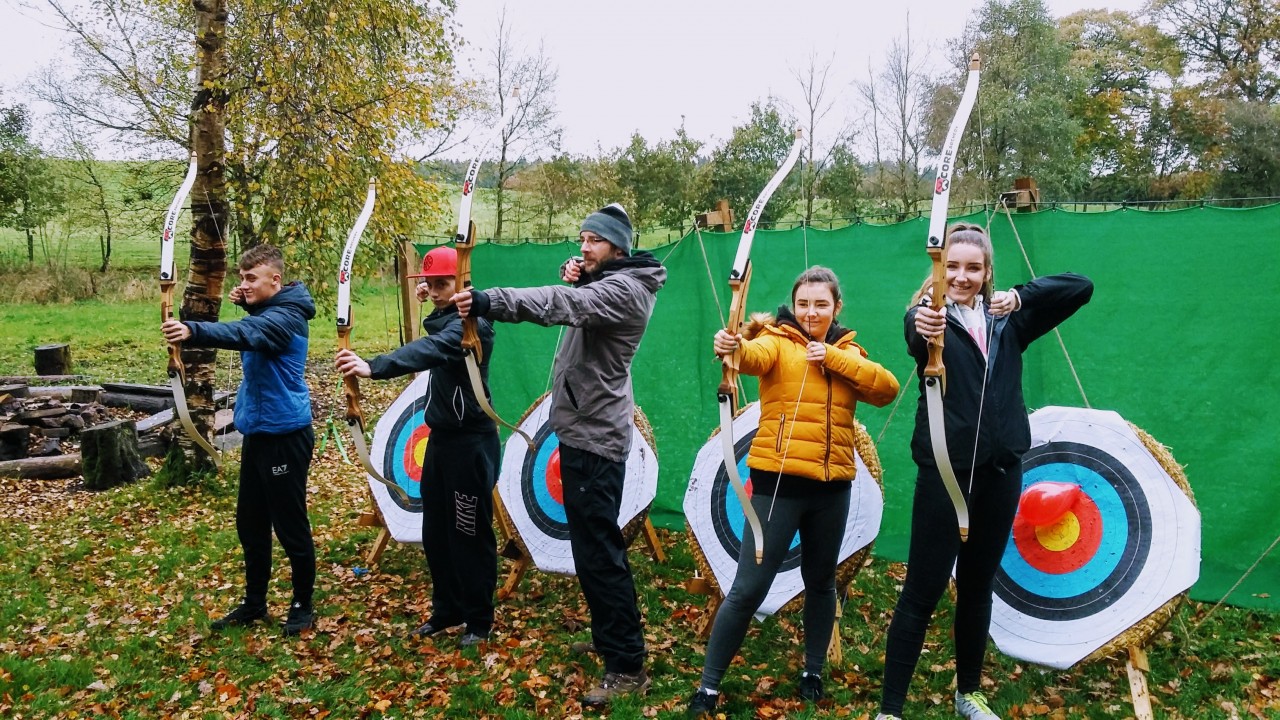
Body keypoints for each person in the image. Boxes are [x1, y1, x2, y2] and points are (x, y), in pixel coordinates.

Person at [875, 224, 1093, 720]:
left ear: (987, 271)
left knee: (977, 587)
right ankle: (890, 710)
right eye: (951, 266)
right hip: (946, 479)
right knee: (922, 593)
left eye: (973, 268)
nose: (961, 276)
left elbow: (1080, 287)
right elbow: (916, 332)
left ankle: (967, 693)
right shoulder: (928, 321)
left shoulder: (1007, 323)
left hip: (1000, 472)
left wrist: (1019, 296)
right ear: (938, 268)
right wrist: (923, 321)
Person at [452, 203, 664, 707]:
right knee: (592, 551)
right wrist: (581, 274)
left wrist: (488, 301)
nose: (583, 247)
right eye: (582, 238)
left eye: (594, 241)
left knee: (600, 553)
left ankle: (627, 665)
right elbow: (577, 298)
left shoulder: (625, 291)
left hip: (595, 440)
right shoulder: (607, 281)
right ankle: (610, 638)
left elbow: (557, 305)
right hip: (583, 430)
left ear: (618, 248)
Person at [686, 266, 901, 718]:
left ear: (836, 307)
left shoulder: (849, 351)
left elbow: (887, 388)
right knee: (747, 589)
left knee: (822, 582)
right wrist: (733, 346)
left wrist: (833, 359)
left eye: (821, 304)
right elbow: (751, 356)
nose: (811, 312)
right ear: (793, 304)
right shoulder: (777, 341)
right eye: (804, 303)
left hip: (832, 489)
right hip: (776, 488)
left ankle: (813, 671)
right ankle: (708, 687)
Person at [334, 246, 499, 648]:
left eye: (444, 283)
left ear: (464, 283)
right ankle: (447, 610)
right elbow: (440, 332)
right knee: (436, 531)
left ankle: (478, 619)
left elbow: (438, 347)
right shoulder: (447, 317)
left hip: (470, 445)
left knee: (468, 531)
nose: (434, 290)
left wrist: (376, 366)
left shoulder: (475, 324)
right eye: (429, 284)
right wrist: (438, 303)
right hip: (441, 442)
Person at [160, 244, 318, 636]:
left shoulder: (288, 318)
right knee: (250, 524)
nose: (242, 284)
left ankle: (302, 605)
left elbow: (253, 332)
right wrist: (251, 302)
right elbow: (257, 324)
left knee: (290, 525)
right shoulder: (272, 310)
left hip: (286, 435)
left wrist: (192, 330)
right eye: (241, 278)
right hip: (260, 434)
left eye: (251, 278)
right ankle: (254, 604)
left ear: (275, 281)